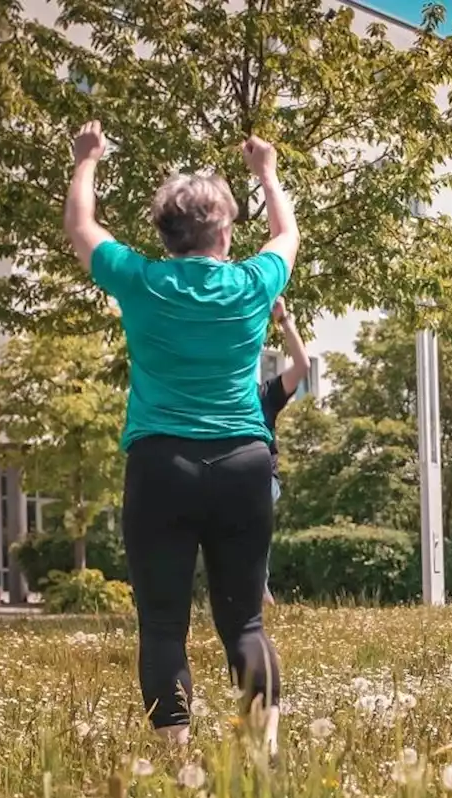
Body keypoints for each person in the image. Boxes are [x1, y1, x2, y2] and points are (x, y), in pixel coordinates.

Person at [62, 121, 299, 752]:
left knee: (162, 624)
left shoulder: (139, 279)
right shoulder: (252, 282)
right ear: (224, 232)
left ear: (166, 233)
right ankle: (264, 753)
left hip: (162, 464)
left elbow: (82, 230)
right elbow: (286, 234)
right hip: (245, 463)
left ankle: (178, 765)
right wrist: (268, 174)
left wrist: (87, 160)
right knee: (244, 620)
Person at [259, 296, 311, 606]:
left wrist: (284, 321)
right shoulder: (216, 397)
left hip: (262, 478)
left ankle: (258, 587)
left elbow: (303, 365)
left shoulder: (265, 394)